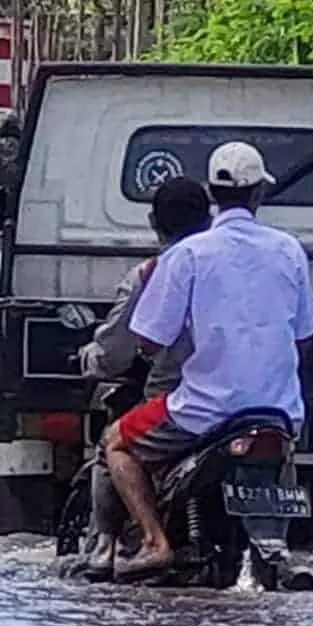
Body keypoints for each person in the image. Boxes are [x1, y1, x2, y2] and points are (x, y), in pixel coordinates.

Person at [106, 141, 313, 578]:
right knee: (280, 463)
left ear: (212, 194)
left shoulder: (188, 254)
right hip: (279, 412)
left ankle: (154, 542)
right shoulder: (288, 250)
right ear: (259, 194)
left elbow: (149, 341)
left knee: (117, 442)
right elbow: (306, 336)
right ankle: (274, 554)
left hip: (203, 410)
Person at [76, 176, 213, 578]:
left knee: (112, 443)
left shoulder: (153, 273)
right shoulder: (236, 265)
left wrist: (91, 361)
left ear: (154, 222)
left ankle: (108, 547)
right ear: (209, 220)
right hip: (257, 400)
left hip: (180, 402)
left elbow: (119, 350)